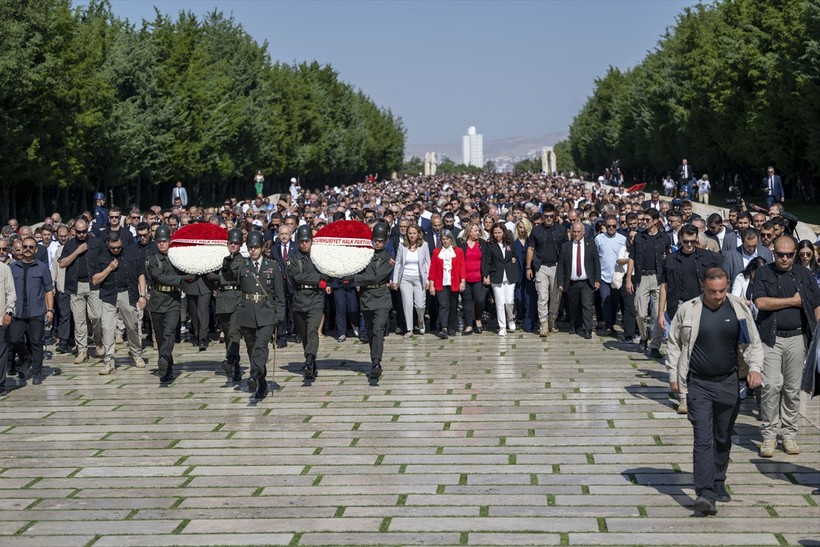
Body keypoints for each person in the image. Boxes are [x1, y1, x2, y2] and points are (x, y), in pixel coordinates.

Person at [666, 267, 763, 516]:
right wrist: (673, 376)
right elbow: (674, 343)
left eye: (722, 290)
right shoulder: (689, 309)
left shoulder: (739, 309)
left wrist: (754, 368)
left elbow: (753, 342)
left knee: (723, 436)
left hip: (730, 381)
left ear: (727, 285)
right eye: (713, 292)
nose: (718, 296)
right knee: (702, 438)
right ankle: (705, 493)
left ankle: (718, 480)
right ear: (703, 286)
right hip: (698, 383)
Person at [751, 236, 820, 457]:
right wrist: (793, 301)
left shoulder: (804, 275)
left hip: (798, 338)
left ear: (795, 254)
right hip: (771, 338)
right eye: (781, 254)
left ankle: (789, 434)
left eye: (789, 255)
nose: (784, 258)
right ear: (774, 252)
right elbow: (761, 302)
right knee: (770, 386)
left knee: (792, 389)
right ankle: (769, 435)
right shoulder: (764, 273)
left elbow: (816, 304)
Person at [224, 230, 285, 399]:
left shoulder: (272, 267)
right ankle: (261, 381)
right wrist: (226, 265)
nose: (253, 251)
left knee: (260, 345)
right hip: (247, 313)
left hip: (266, 313)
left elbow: (280, 294)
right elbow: (229, 277)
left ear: (261, 248)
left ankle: (254, 373)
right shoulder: (243, 266)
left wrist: (280, 315)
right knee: (251, 348)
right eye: (250, 247)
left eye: (256, 247)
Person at [91, 232, 147, 375]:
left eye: (118, 247)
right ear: (108, 244)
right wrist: (109, 268)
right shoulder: (101, 257)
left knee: (132, 326)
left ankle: (136, 354)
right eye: (113, 247)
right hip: (108, 296)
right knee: (108, 329)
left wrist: (142, 295)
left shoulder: (131, 254)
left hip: (127, 294)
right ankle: (109, 361)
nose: (116, 250)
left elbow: (141, 274)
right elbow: (95, 280)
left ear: (122, 242)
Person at [145, 225, 190, 383]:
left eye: (164, 241)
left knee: (169, 333)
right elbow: (159, 277)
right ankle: (167, 368)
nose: (161, 244)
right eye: (159, 241)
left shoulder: (177, 258)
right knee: (161, 337)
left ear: (170, 241)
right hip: (157, 300)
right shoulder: (152, 259)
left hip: (173, 300)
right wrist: (181, 280)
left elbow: (188, 270)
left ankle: (163, 358)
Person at [9, 237, 55, 385]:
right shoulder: (12, 267)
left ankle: (37, 372)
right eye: (25, 247)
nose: (28, 249)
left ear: (35, 250)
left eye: (31, 247)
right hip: (17, 312)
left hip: (36, 312)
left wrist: (50, 310)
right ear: (21, 249)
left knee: (37, 342)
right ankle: (26, 358)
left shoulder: (42, 268)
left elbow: (49, 290)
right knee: (14, 339)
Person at [59, 218, 103, 364]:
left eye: (84, 231)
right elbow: (62, 263)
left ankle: (98, 341)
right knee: (79, 321)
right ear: (74, 231)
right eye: (79, 232)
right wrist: (76, 252)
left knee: (96, 316)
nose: (82, 234)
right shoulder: (70, 245)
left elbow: (105, 260)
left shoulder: (96, 243)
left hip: (94, 285)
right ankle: (82, 350)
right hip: (76, 286)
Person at [626, 208, 670, 355]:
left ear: (656, 221)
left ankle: (655, 346)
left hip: (659, 278)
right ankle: (644, 337)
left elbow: (669, 258)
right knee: (640, 311)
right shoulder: (639, 237)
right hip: (642, 277)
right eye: (643, 220)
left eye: (647, 220)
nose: (644, 222)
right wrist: (628, 279)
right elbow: (631, 257)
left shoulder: (664, 238)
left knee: (658, 314)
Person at [354, 223, 394, 379]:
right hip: (366, 297)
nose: (377, 243)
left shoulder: (389, 258)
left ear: (385, 241)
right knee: (370, 331)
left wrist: (359, 280)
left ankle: (376, 362)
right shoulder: (365, 255)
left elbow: (378, 276)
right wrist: (359, 279)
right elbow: (355, 272)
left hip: (381, 296)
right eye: (375, 240)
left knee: (378, 329)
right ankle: (374, 358)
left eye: (380, 240)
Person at [288, 224, 327, 381]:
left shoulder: (319, 256)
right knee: (304, 334)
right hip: (299, 298)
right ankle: (311, 363)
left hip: (315, 299)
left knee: (312, 330)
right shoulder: (293, 258)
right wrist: (318, 280)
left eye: (307, 240)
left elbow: (327, 273)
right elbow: (297, 276)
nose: (304, 243)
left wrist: (321, 281)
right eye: (301, 241)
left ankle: (309, 360)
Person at [525, 203, 567, 336]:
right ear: (542, 216)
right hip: (541, 266)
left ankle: (552, 321)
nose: (548, 218)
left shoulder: (561, 229)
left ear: (555, 216)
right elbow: (530, 249)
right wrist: (528, 267)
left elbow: (566, 250)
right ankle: (543, 324)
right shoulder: (536, 230)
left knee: (555, 297)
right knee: (542, 297)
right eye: (546, 216)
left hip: (557, 267)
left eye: (551, 216)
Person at [209, 228, 244, 382]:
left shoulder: (242, 261)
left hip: (236, 298)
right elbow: (210, 275)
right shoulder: (220, 258)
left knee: (234, 333)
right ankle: (234, 362)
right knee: (228, 335)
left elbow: (236, 276)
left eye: (236, 243)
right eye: (231, 242)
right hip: (223, 299)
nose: (233, 245)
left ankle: (231, 362)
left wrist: (221, 275)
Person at [557, 222, 601, 338]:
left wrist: (597, 279)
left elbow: (596, 262)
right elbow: (561, 265)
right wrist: (560, 282)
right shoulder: (566, 246)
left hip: (587, 281)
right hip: (571, 281)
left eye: (578, 232)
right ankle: (573, 324)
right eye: (574, 232)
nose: (576, 234)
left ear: (583, 232)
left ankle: (587, 329)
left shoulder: (590, 244)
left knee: (587, 305)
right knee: (573, 305)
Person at [391, 224, 430, 338]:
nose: (412, 235)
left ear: (418, 234)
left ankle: (421, 319)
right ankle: (410, 329)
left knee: (420, 304)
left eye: (414, 233)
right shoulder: (402, 245)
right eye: (410, 233)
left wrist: (428, 280)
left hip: (419, 278)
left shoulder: (424, 245)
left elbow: (428, 263)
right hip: (405, 278)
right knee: (407, 303)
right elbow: (398, 263)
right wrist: (395, 280)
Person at [428, 229, 465, 339]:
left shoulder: (458, 251)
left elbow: (462, 267)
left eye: (447, 239)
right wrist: (431, 284)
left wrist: (462, 281)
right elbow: (432, 268)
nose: (445, 241)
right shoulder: (436, 252)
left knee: (453, 306)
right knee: (443, 305)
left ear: (451, 239)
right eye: (443, 239)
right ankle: (443, 327)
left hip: (454, 282)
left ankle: (451, 327)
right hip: (441, 282)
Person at [595, 215, 626, 337]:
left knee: (614, 302)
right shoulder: (598, 239)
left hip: (617, 276)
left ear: (617, 226)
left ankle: (611, 323)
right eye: (609, 226)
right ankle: (608, 325)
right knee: (604, 300)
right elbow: (596, 257)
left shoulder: (622, 239)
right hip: (603, 276)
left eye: (614, 226)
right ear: (605, 226)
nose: (611, 228)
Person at [487, 223, 518, 336]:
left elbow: (514, 255)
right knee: (500, 302)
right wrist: (487, 275)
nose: (497, 235)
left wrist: (513, 260)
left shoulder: (510, 243)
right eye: (495, 233)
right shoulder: (489, 245)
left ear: (504, 232)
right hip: (496, 276)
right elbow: (487, 261)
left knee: (509, 300)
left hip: (510, 275)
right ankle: (502, 326)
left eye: (499, 232)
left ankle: (511, 319)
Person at [459, 223, 490, 335]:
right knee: (466, 301)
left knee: (479, 300)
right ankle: (468, 324)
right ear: (469, 232)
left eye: (478, 231)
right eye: (475, 230)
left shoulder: (482, 244)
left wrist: (486, 275)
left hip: (479, 277)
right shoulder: (461, 243)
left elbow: (486, 260)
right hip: (465, 278)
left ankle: (478, 319)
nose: (477, 233)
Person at [270, 224, 295, 348]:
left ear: (290, 234)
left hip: (292, 282)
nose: (284, 236)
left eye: (286, 234)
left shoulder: (295, 247)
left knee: (293, 308)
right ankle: (282, 336)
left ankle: (296, 331)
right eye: (281, 234)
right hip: (279, 283)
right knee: (281, 309)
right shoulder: (275, 248)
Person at [513, 218, 537, 333]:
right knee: (519, 298)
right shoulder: (514, 243)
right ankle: (520, 316)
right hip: (518, 274)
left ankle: (529, 324)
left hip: (530, 273)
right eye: (520, 227)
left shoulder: (531, 241)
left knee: (529, 299)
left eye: (524, 227)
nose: (522, 230)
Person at [0, 256, 16, 396]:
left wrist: (9, 311)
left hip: (1, 319)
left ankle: (0, 384)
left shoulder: (4, 269)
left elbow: (11, 292)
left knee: (1, 353)